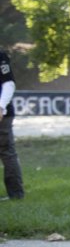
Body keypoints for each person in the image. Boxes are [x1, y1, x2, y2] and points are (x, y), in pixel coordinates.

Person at [0, 49, 24, 201]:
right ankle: (15, 195)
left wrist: (1, 106)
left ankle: (15, 195)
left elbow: (8, 83)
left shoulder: (0, 56)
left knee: (7, 153)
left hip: (3, 115)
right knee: (8, 153)